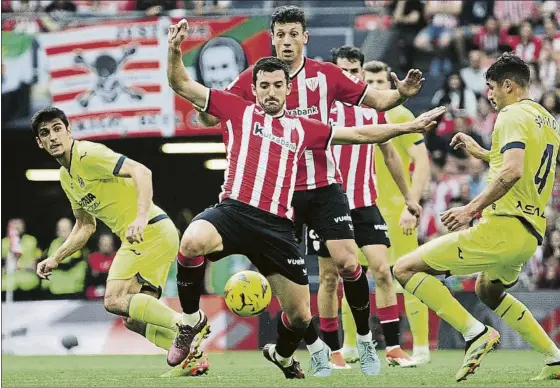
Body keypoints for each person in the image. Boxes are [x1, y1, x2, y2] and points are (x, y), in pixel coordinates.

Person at [165, 18, 444, 379]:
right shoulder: (237, 108)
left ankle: (303, 351)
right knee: (191, 241)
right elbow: (182, 84)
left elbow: (360, 131)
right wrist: (174, 51)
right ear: (253, 87)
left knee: (303, 311)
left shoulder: (303, 127)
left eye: (278, 85)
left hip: (286, 217)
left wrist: (408, 122)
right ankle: (191, 322)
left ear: (287, 89)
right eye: (263, 85)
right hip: (236, 210)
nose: (270, 91)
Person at [393, 53, 560, 382]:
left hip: (502, 226)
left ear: (509, 85)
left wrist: (469, 210)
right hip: (529, 234)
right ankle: (556, 359)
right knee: (488, 291)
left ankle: (475, 333)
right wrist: (480, 152)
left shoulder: (510, 115)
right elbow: (521, 161)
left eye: (491, 87)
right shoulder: (546, 119)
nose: (489, 94)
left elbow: (512, 171)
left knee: (404, 269)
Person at [32, 107, 207, 377]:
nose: (53, 136)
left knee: (113, 299)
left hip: (148, 230)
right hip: (151, 235)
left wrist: (139, 216)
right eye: (45, 133)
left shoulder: (88, 155)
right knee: (133, 320)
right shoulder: (67, 178)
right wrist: (56, 257)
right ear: (39, 142)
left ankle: (188, 324)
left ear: (68, 131)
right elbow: (85, 226)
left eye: (57, 128)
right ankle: (192, 359)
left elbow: (142, 172)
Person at [307, 47, 419, 369]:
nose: (350, 76)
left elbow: (391, 156)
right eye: (344, 71)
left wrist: (409, 197)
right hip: (327, 203)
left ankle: (394, 348)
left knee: (382, 270)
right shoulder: (320, 110)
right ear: (333, 72)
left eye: (354, 70)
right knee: (330, 278)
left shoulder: (372, 110)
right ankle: (333, 351)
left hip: (364, 202)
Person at [343, 59, 432, 366]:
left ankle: (420, 348)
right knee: (350, 273)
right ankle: (350, 346)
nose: (377, 88)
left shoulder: (400, 114)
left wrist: (413, 205)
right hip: (360, 207)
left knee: (407, 275)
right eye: (371, 82)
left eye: (382, 82)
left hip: (396, 213)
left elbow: (421, 160)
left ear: (390, 84)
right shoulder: (351, 113)